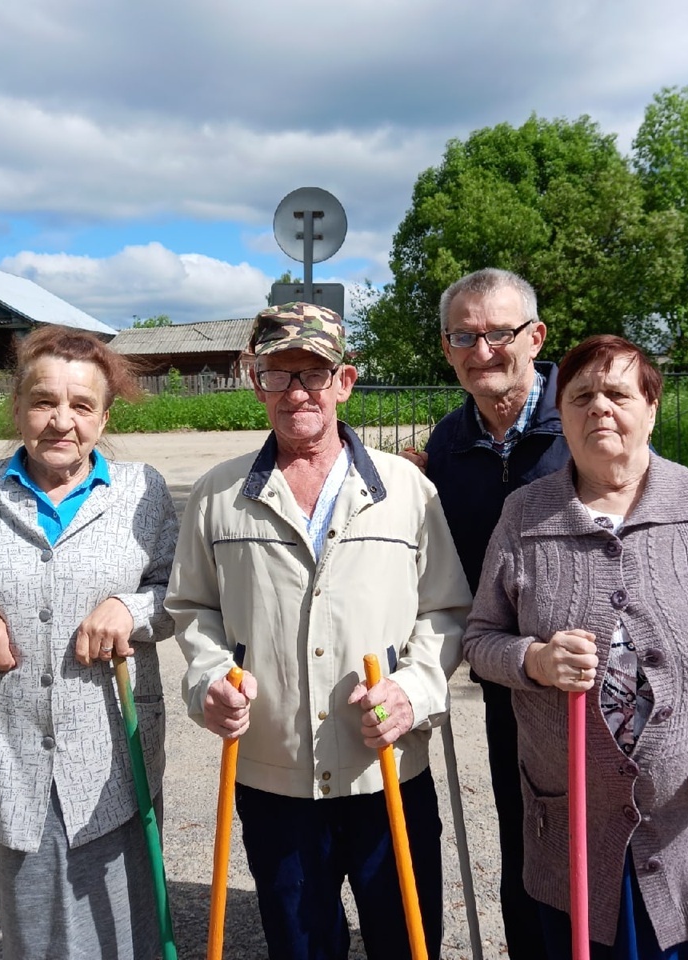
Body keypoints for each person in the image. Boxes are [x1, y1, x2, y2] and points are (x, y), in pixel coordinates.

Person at [462, 334, 688, 958]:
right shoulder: (524, 516)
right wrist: (534, 660)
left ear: (651, 409)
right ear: (562, 416)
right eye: (581, 397)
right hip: (576, 836)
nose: (599, 408)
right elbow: (481, 639)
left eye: (618, 394)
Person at [165, 302, 471, 960]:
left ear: (345, 381)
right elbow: (192, 607)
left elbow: (446, 611)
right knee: (301, 946)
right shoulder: (217, 495)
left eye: (314, 373)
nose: (296, 391)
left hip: (387, 768)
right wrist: (209, 681)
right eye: (278, 374)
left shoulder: (406, 489)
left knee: (406, 942)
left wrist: (413, 693)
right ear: (257, 383)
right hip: (273, 776)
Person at [0, 324, 179, 960]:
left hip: (115, 750)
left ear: (104, 417)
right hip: (10, 749)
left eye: (82, 405)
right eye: (43, 402)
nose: (62, 421)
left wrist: (130, 608)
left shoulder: (142, 491)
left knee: (126, 924)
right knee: (36, 934)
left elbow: (178, 593)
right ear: (18, 408)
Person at [402, 267, 568, 960]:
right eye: (464, 336)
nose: (483, 350)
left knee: (610, 838)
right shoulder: (447, 443)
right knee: (525, 831)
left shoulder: (582, 419)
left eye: (499, 332)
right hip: (508, 676)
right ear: (447, 349)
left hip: (597, 676)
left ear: (535, 336)